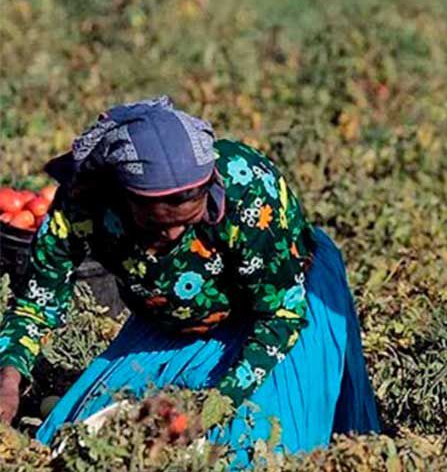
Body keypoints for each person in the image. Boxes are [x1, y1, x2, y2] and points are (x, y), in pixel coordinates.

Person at [0, 98, 379, 461]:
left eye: (189, 219)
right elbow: (38, 301)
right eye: (157, 224)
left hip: (279, 311)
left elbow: (280, 316)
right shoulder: (83, 205)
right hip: (171, 316)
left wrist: (213, 408)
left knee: (251, 448)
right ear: (121, 196)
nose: (174, 235)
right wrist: (9, 375)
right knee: (82, 441)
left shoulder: (248, 193)